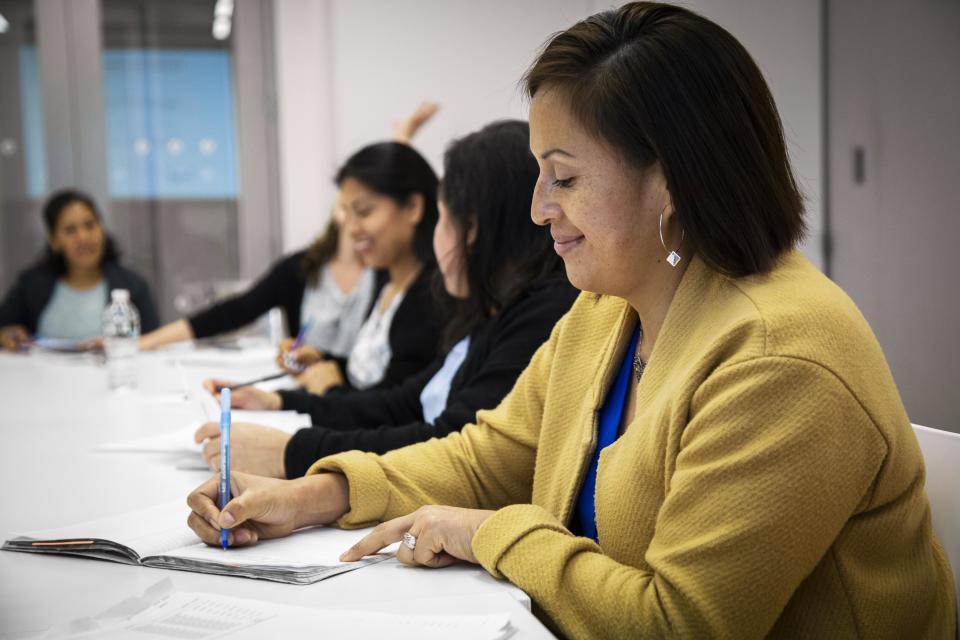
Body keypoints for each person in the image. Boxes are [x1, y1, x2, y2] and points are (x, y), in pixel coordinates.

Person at [186, 3, 956, 638]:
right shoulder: (606, 309)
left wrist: (490, 534)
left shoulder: (779, 356)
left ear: (673, 180)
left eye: (563, 178)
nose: (536, 209)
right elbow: (490, 458)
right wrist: (314, 493)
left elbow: (680, 624)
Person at [192, 121, 577, 479]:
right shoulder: (492, 310)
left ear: (477, 228)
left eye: (444, 218)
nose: (436, 236)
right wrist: (279, 401)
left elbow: (451, 444)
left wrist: (294, 451)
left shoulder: (542, 314)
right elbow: (405, 401)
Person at [139, 103, 440, 368]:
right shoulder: (301, 269)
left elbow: (395, 193)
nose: (352, 224)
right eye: (346, 209)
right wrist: (145, 343)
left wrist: (402, 139)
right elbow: (235, 310)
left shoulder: (392, 272)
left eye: (361, 210)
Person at [0, 189, 158, 350]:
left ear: (101, 229)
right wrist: (7, 334)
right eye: (70, 230)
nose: (83, 237)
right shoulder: (32, 284)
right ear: (54, 241)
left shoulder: (133, 286)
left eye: (90, 225)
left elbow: (154, 343)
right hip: (44, 373)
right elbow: (5, 328)